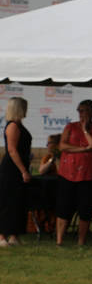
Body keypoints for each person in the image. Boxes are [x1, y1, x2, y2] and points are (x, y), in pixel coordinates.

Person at [55, 99, 92, 246]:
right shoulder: (70, 127)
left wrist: (84, 130)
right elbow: (62, 146)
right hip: (67, 173)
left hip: (87, 175)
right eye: (79, 110)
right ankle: (59, 240)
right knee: (63, 208)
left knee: (85, 209)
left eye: (84, 111)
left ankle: (81, 241)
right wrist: (83, 149)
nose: (81, 114)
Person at [0, 97, 32, 247]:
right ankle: (2, 236)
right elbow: (12, 150)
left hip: (19, 167)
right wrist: (23, 171)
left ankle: (14, 234)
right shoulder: (12, 126)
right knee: (7, 202)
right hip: (12, 170)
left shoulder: (19, 125)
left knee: (17, 202)